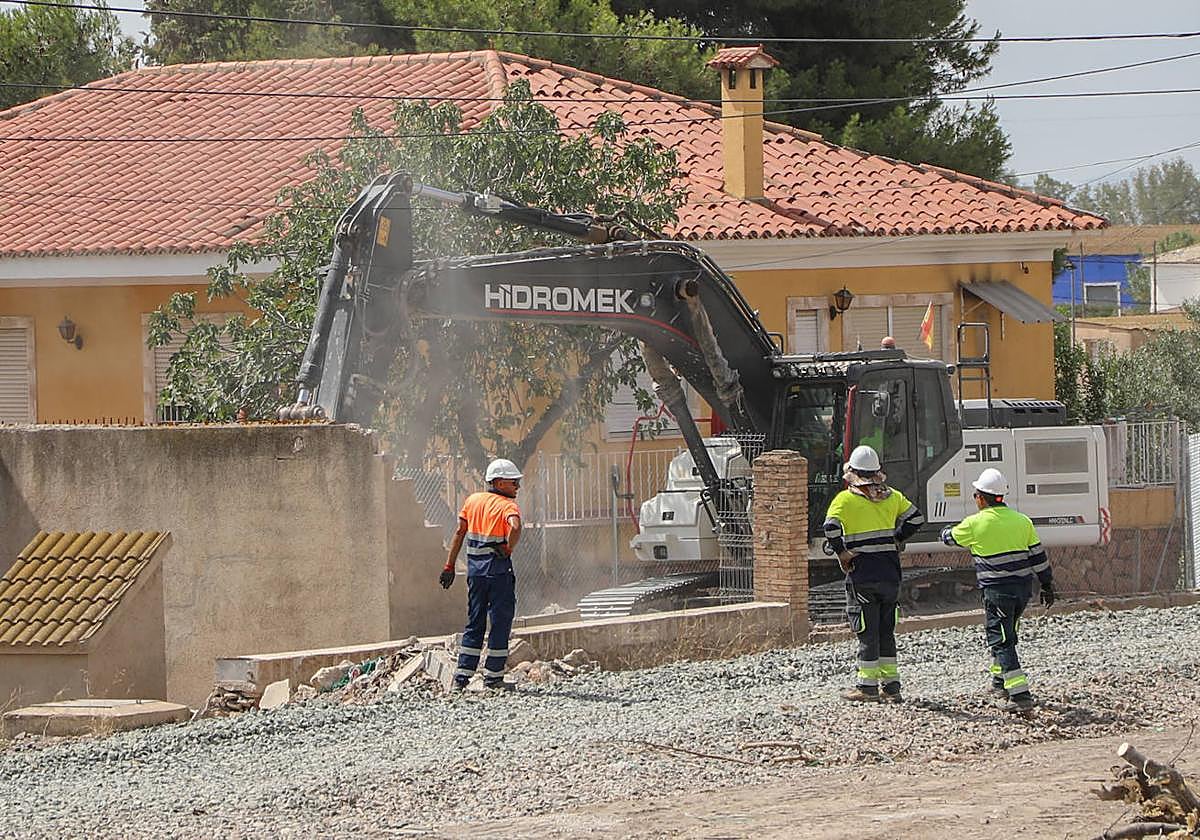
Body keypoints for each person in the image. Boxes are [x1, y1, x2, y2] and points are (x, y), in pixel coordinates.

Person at [940, 468, 1055, 712]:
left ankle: (1020, 695)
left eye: (975, 495)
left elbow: (950, 538)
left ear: (981, 497)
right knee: (1008, 632)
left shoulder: (975, 523)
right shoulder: (1022, 521)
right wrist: (1047, 584)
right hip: (1022, 590)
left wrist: (945, 529)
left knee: (1001, 639)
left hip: (997, 591)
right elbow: (1039, 557)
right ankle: (999, 680)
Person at [823, 445, 924, 703]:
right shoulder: (894, 497)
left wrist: (842, 554)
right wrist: (896, 538)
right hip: (891, 574)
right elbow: (916, 519)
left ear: (853, 475)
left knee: (867, 632)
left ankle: (866, 687)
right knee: (886, 631)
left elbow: (830, 528)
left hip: (863, 576)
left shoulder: (845, 500)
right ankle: (892, 687)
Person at [440, 457, 524, 691]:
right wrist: (507, 548)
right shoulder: (508, 506)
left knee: (474, 622)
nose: (517, 486)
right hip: (498, 573)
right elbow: (516, 527)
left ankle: (461, 678)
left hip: (475, 574)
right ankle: (493, 677)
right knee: (500, 622)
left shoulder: (472, 501)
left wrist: (449, 566)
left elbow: (459, 532)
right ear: (498, 483)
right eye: (514, 482)